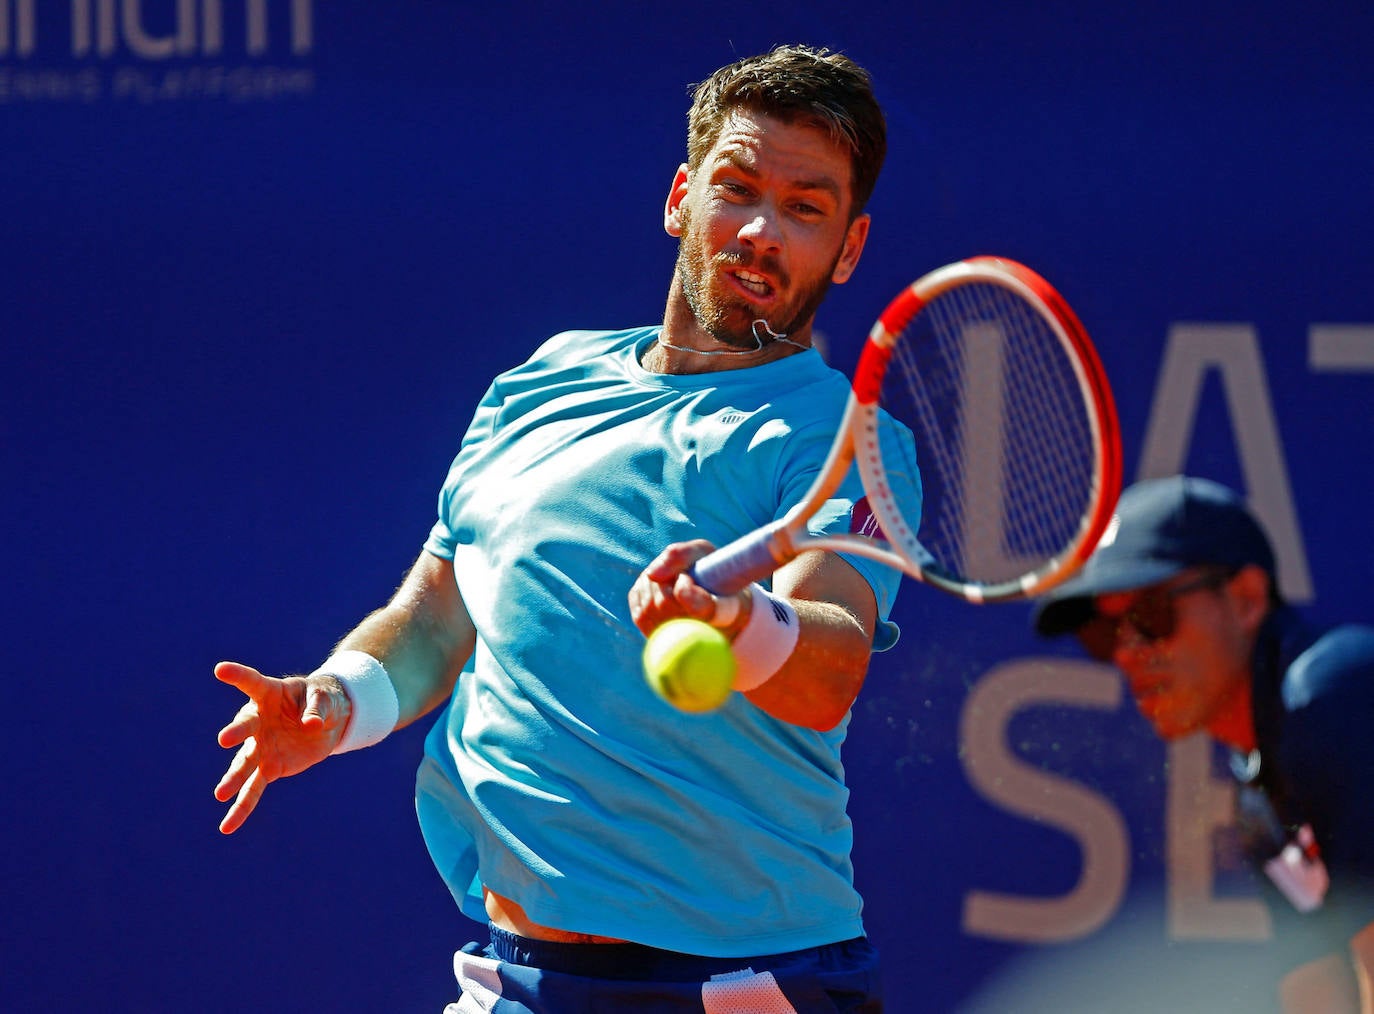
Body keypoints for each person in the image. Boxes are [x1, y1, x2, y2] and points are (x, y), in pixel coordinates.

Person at [214, 45, 909, 1012]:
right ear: (679, 197)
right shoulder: (540, 382)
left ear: (850, 247)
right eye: (738, 188)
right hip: (518, 977)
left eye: (805, 208)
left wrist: (742, 626)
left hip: (747, 987)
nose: (759, 231)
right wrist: (336, 702)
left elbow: (829, 668)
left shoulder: (840, 440)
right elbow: (438, 619)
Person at [1033, 475, 1374, 1012]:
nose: (1127, 655)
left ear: (1246, 598)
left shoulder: (1330, 698)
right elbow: (1318, 990)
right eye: (1105, 634)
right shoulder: (1260, 795)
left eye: (1149, 616)